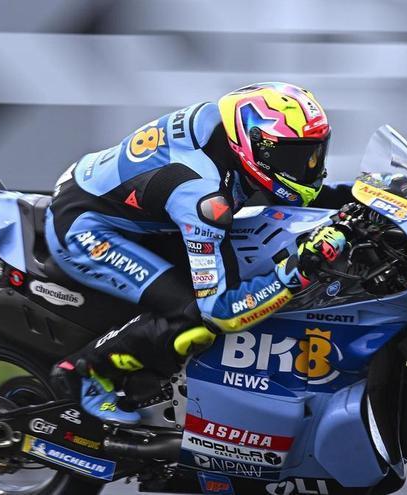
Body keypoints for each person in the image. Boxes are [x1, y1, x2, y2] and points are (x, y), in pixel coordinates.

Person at [45, 82, 352, 423]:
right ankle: (86, 371)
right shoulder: (204, 197)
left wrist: (364, 196)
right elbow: (220, 311)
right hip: (85, 227)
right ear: (256, 147)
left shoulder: (227, 128)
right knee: (192, 315)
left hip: (129, 203)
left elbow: (293, 194)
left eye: (314, 154)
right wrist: (298, 271)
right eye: (295, 158)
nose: (308, 167)